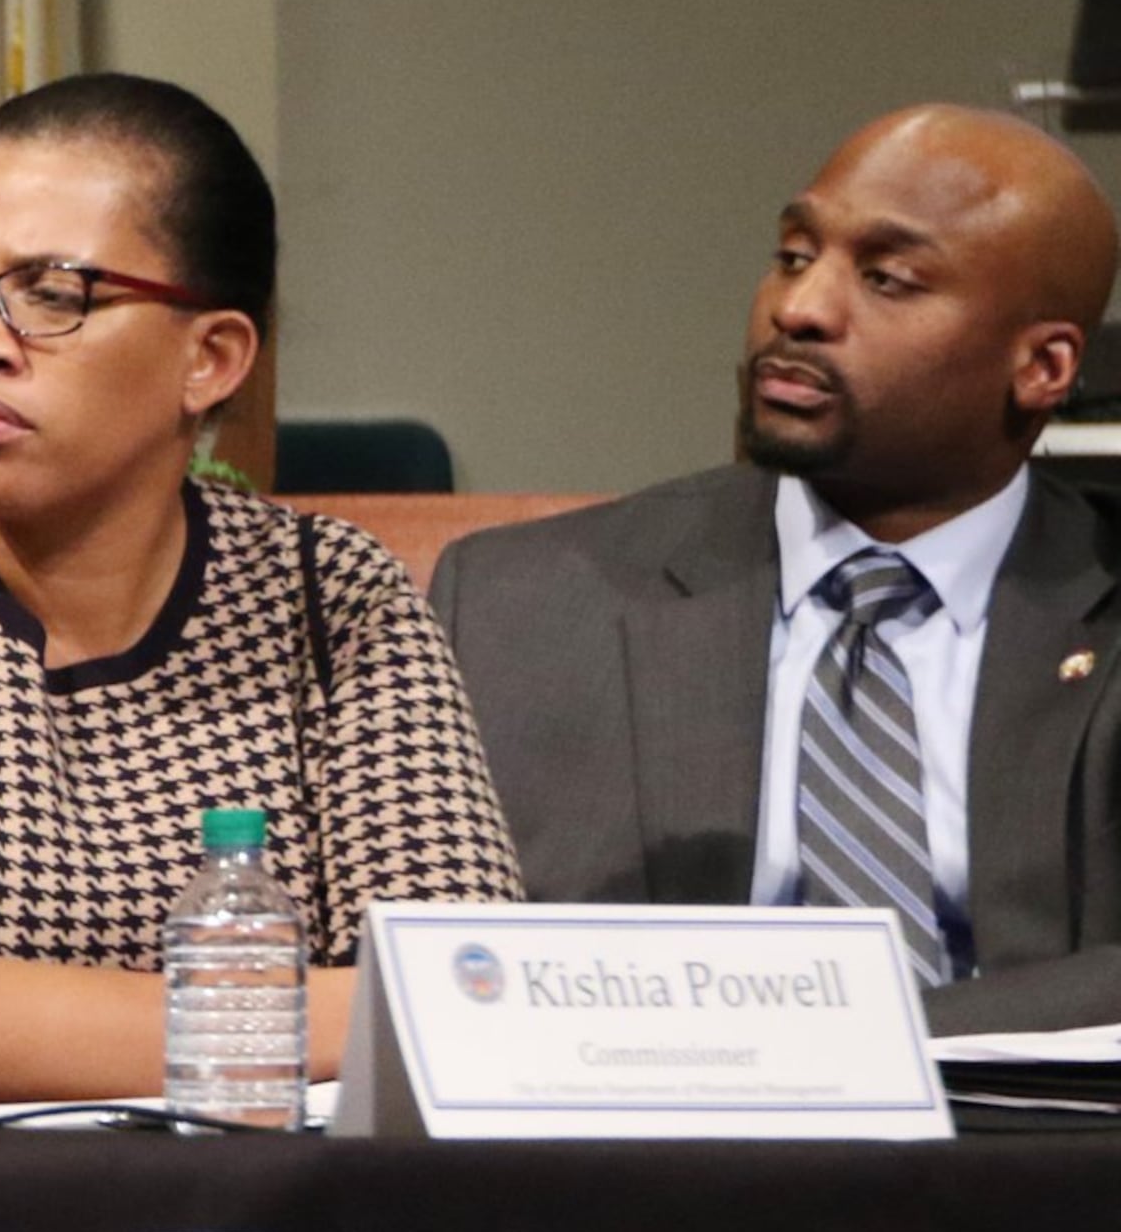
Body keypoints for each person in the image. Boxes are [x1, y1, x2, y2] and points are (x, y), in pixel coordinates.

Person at [0, 73, 522, 1112]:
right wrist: (325, 1018)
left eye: (52, 295)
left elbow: (467, 1007)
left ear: (210, 358)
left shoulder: (332, 602)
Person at [436, 105, 1121, 1031]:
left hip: (1040, 1160)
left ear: (1042, 365)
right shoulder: (528, 605)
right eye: (796, 255)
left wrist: (834, 1033)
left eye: (887, 279)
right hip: (653, 1156)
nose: (798, 309)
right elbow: (463, 963)